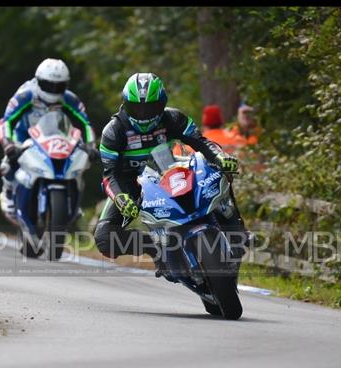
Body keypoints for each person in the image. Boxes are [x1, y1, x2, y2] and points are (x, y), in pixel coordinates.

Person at [95, 73, 250, 281]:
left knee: (219, 169)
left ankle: (236, 228)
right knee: (104, 238)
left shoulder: (174, 118)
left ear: (162, 103)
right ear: (125, 104)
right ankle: (155, 248)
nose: (143, 115)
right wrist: (120, 198)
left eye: (150, 108)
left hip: (168, 171)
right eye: (137, 108)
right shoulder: (113, 132)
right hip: (129, 183)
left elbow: (201, 143)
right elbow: (109, 175)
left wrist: (220, 157)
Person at [0, 58, 98, 222]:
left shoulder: (69, 98)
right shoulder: (26, 95)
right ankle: (8, 194)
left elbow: (86, 123)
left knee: (80, 162)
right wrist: (8, 144)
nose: (54, 90)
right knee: (7, 164)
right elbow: (6, 121)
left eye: (59, 86)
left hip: (56, 138)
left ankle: (72, 202)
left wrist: (92, 146)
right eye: (49, 85)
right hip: (24, 136)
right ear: (38, 81)